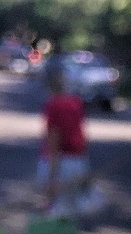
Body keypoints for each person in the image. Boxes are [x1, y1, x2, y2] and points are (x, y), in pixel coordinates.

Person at [38, 63, 91, 217]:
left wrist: (52, 178)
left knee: (55, 212)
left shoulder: (53, 105)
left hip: (61, 164)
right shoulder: (76, 103)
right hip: (78, 162)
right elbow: (82, 135)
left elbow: (54, 140)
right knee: (70, 213)